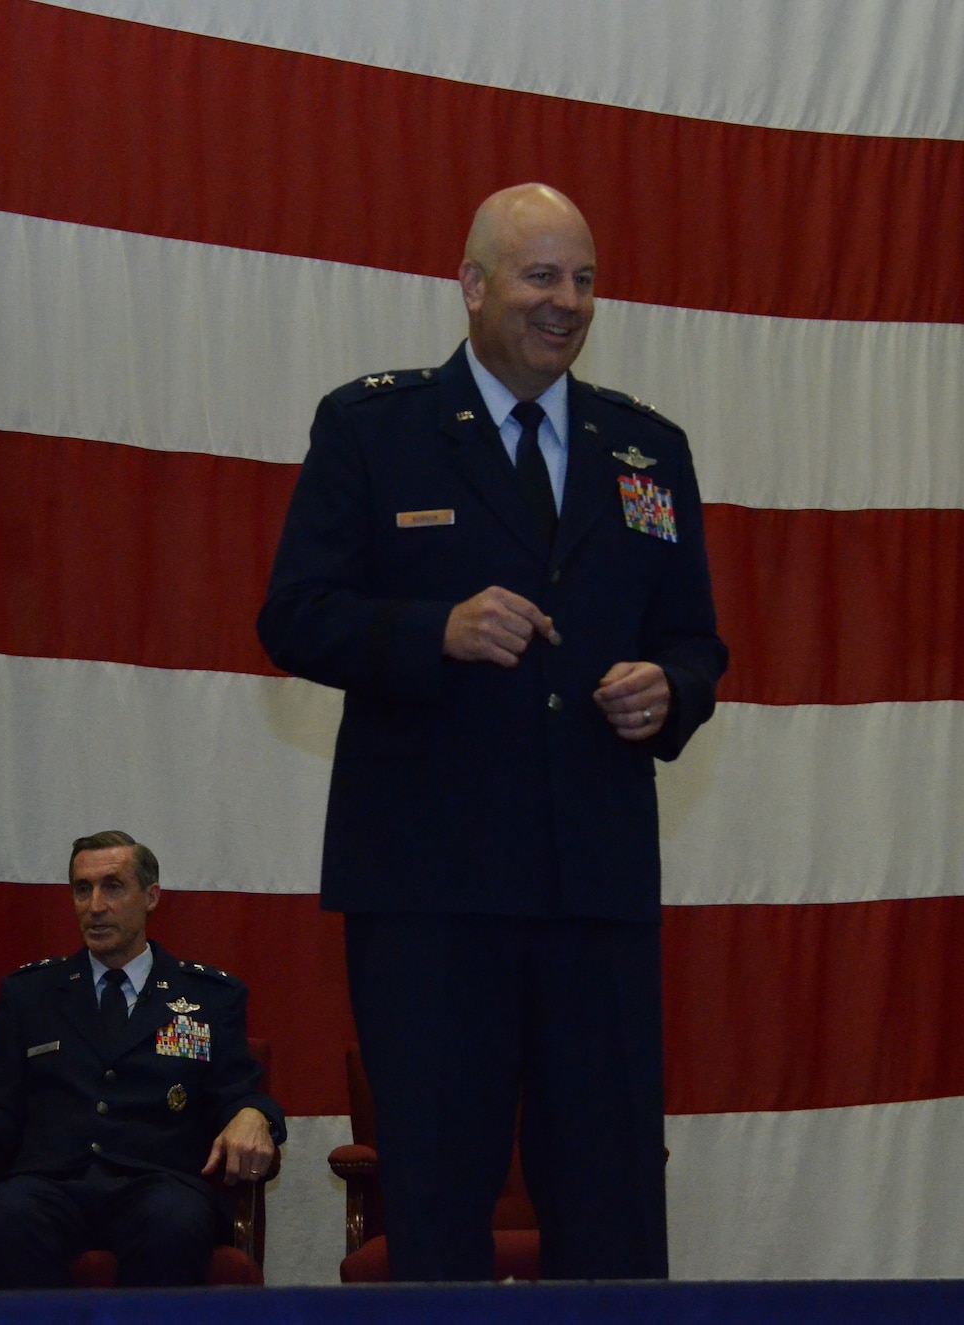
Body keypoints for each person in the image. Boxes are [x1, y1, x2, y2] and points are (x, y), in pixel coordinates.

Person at [256, 184, 727, 1281]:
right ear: (471, 287)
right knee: (434, 1201)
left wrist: (671, 687)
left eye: (583, 279)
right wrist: (435, 630)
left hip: (593, 886)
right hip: (429, 891)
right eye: (539, 276)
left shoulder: (645, 450)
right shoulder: (373, 426)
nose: (565, 303)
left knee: (610, 1201)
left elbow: (696, 637)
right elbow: (293, 615)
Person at [0, 831, 287, 1288]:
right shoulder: (30, 993)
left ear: (151, 896)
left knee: (172, 1224)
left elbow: (237, 1093)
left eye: (113, 887)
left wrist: (255, 1114)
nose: (94, 905)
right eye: (82, 889)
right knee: (1, 1218)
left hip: (157, 1183)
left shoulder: (209, 997)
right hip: (48, 1185)